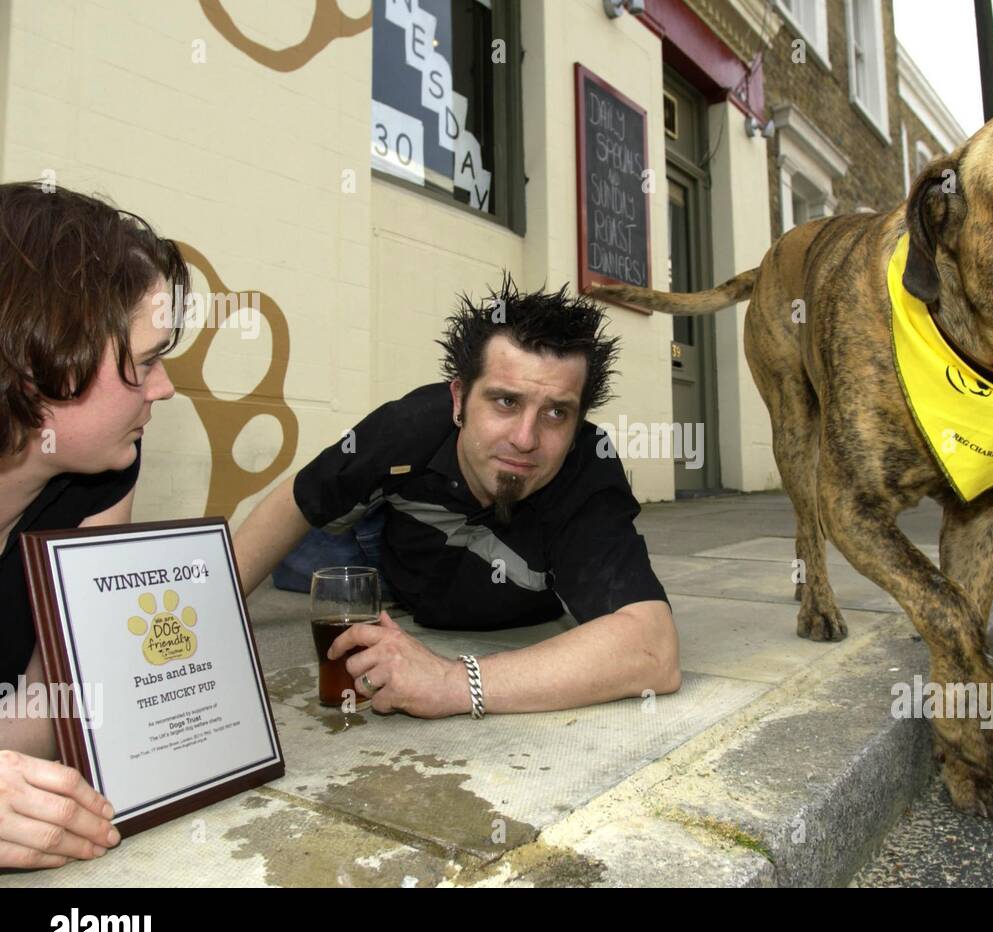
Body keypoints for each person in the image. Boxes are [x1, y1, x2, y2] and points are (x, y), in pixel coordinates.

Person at [234, 276, 679, 719]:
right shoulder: (406, 426)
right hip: (379, 560)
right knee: (303, 566)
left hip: (498, 601)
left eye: (557, 412)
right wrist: (206, 618)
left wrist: (452, 682)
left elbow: (653, 652)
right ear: (459, 398)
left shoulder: (588, 469)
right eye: (505, 402)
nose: (525, 439)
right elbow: (296, 500)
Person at [0, 182, 189, 869]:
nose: (164, 388)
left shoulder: (104, 475)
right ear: (35, 364)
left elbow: (49, 701)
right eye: (144, 361)